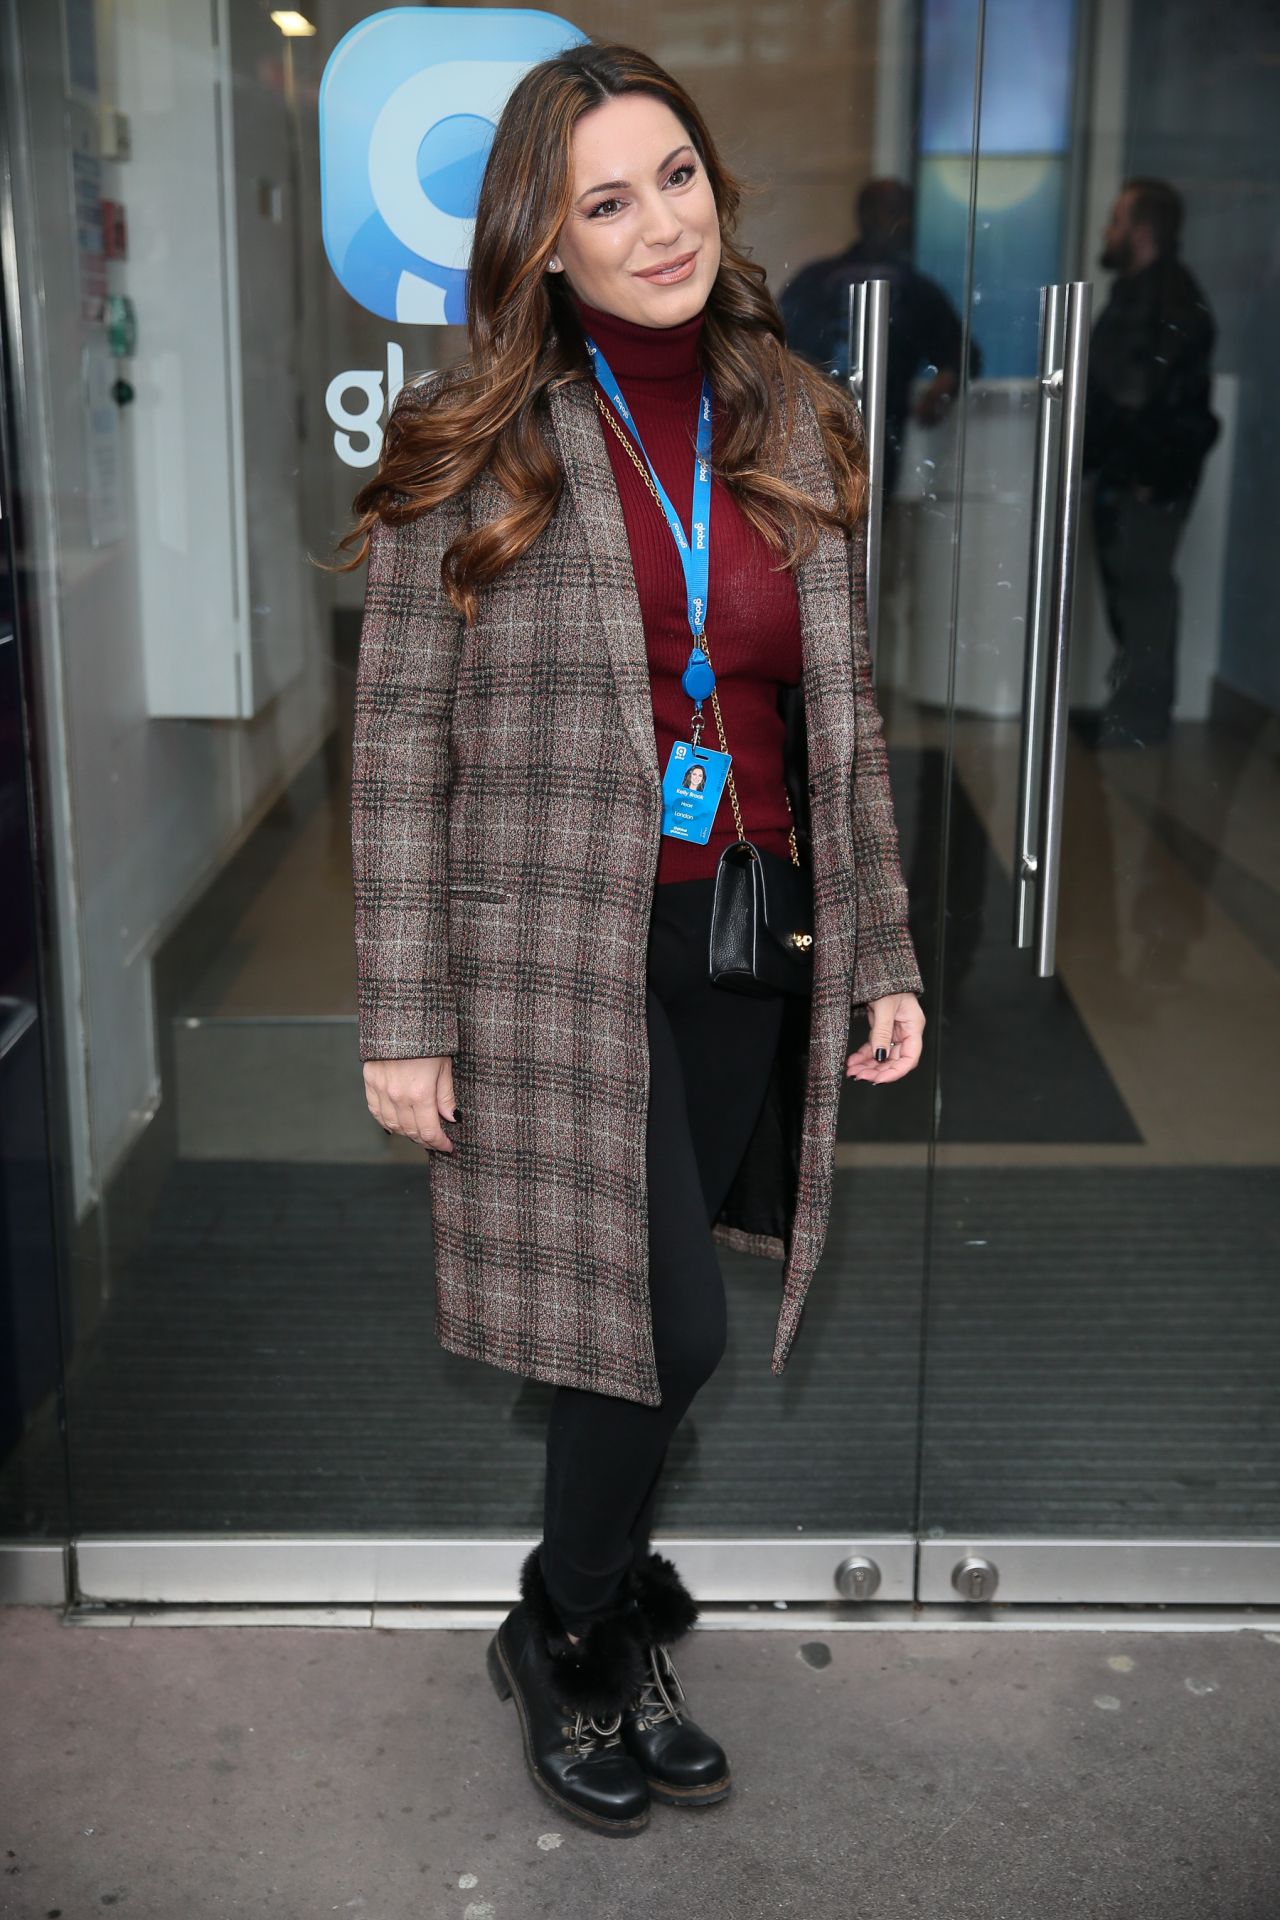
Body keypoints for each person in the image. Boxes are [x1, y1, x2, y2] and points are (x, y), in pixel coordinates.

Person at [337, 42, 924, 1838]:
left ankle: (598, 1602)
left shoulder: (799, 419)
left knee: (641, 1324)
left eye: (676, 174)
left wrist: (884, 949)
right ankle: (570, 1624)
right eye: (606, 199)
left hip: (744, 934)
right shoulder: (474, 450)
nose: (659, 222)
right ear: (545, 242)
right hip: (547, 962)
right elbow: (395, 759)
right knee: (654, 1331)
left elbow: (847, 724)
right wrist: (400, 1015)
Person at [1082, 178, 1219, 747]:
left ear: (1142, 231)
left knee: (1143, 600)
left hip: (1144, 481)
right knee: (1136, 598)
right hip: (1140, 476)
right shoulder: (1151, 294)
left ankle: (1136, 727)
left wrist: (1135, 472)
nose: (1107, 233)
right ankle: (1132, 719)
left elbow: (1135, 396)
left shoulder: (1161, 301)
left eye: (1116, 221)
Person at [779, 178, 978, 499]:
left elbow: (961, 353)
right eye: (892, 212)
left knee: (864, 523)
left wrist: (945, 383)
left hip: (878, 434)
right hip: (814, 430)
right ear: (865, 216)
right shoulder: (817, 280)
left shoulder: (914, 289)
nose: (903, 224)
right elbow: (772, 347)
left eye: (903, 213)